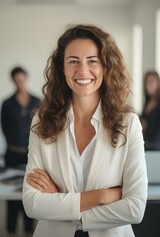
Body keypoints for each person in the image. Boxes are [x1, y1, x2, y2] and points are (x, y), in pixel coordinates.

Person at [22, 24, 148, 237]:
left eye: (92, 61)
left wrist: (62, 202)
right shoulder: (42, 122)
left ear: (105, 67)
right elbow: (32, 204)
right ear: (62, 68)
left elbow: (135, 209)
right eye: (73, 61)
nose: (82, 70)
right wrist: (101, 196)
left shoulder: (129, 124)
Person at [1, 66, 40, 237]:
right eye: (17, 80)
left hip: (31, 154)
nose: (20, 82)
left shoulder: (37, 101)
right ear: (13, 81)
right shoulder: (7, 104)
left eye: (22, 79)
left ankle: (28, 229)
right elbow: (5, 128)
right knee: (12, 195)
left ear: (26, 78)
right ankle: (10, 229)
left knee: (29, 192)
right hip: (13, 154)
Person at [140, 70, 160, 150]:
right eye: (146, 83)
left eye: (151, 82)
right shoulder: (147, 102)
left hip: (155, 145)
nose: (148, 86)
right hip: (146, 141)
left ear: (158, 84)